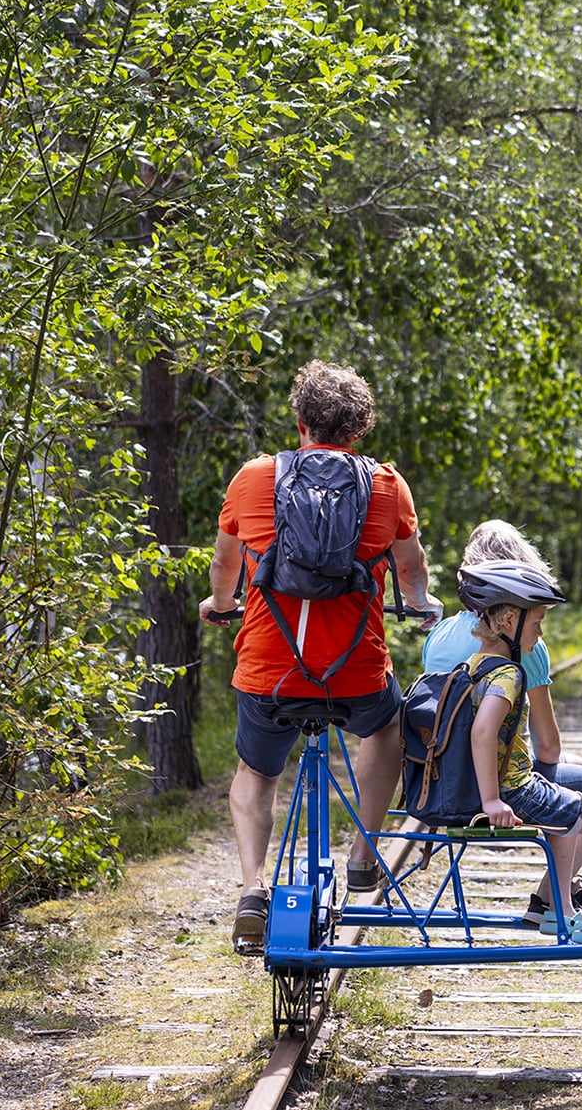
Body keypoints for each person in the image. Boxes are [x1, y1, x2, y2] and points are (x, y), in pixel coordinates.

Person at [199, 360, 441, 955]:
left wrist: (220, 603)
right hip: (353, 671)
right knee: (384, 729)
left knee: (255, 774)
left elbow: (227, 563)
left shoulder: (254, 478)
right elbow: (410, 569)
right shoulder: (387, 485)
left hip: (270, 669)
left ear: (300, 421)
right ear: (358, 431)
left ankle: (254, 889)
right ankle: (362, 858)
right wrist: (418, 602)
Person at [423, 521, 582, 929]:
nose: (540, 628)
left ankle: (559, 900)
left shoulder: (441, 634)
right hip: (491, 790)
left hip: (445, 780)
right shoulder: (520, 647)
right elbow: (547, 748)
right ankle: (555, 903)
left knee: (574, 765)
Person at [459, 560, 582, 943]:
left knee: (570, 806)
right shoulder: (507, 674)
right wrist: (492, 800)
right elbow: (483, 731)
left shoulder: (472, 665)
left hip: (505, 785)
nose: (539, 633)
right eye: (537, 622)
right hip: (515, 790)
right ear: (508, 619)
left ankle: (558, 912)